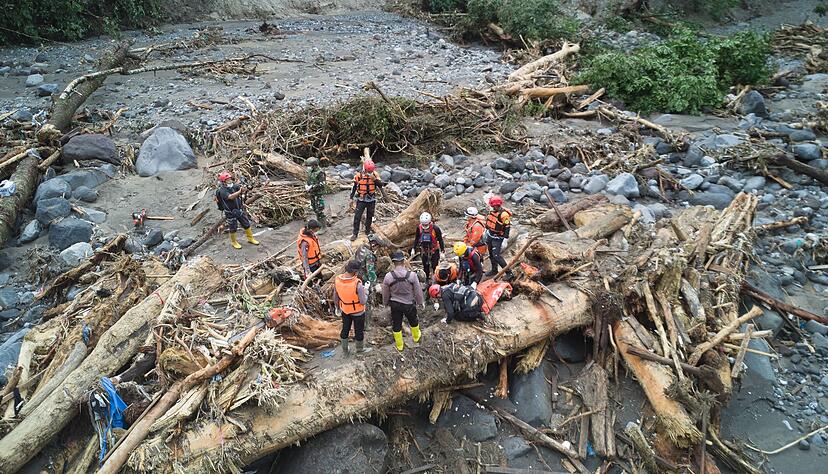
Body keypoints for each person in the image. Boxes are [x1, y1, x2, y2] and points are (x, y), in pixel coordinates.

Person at [381, 250, 424, 352]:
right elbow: (418, 291)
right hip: (409, 303)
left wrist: (385, 303)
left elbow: (385, 292)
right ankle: (416, 337)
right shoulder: (412, 275)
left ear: (393, 262)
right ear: (404, 261)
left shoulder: (388, 276)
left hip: (395, 304)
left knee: (396, 324)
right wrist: (420, 302)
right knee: (413, 321)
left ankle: (400, 345)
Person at [215, 171, 259, 250]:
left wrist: (245, 189)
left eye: (230, 179)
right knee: (233, 227)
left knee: (246, 224)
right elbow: (231, 197)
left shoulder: (234, 186)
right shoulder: (222, 190)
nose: (229, 181)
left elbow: (242, 190)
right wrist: (240, 191)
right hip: (230, 212)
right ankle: (233, 242)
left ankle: (250, 238)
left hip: (239, 209)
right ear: (223, 182)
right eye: (227, 180)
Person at [334, 260, 370, 355]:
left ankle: (345, 350)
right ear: (356, 272)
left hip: (345, 310)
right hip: (358, 312)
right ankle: (359, 350)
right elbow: (363, 301)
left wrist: (337, 307)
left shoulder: (337, 280)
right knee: (359, 331)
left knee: (345, 329)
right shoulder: (357, 284)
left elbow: (335, 296)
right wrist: (366, 292)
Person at [350, 159, 383, 241]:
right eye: (368, 171)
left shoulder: (375, 175)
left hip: (371, 199)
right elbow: (354, 187)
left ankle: (367, 231)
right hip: (361, 199)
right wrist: (351, 198)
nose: (369, 173)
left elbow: (381, 185)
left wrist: (374, 179)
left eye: (371, 171)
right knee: (357, 216)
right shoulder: (359, 175)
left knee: (370, 216)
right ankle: (355, 233)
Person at [412, 212, 444, 283]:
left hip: (434, 250)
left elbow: (440, 239)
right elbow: (416, 239)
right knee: (425, 266)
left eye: (426, 224)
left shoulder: (435, 228)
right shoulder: (419, 228)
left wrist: (442, 251)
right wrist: (413, 248)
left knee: (434, 265)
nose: (424, 226)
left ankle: (435, 279)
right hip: (424, 250)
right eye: (423, 224)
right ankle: (426, 279)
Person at [484, 195, 512, 277]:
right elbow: (489, 221)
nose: (492, 207)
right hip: (490, 235)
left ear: (497, 205)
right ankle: (494, 270)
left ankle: (509, 272)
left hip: (498, 238)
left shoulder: (504, 215)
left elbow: (507, 227)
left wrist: (505, 239)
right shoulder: (493, 211)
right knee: (491, 254)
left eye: (493, 206)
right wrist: (486, 231)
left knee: (496, 255)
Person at [305, 157, 327, 229]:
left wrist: (312, 187)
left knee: (319, 209)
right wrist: (307, 186)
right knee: (314, 208)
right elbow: (308, 180)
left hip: (318, 194)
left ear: (314, 165)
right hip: (312, 193)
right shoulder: (311, 172)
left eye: (310, 166)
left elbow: (321, 184)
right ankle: (319, 225)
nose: (308, 167)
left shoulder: (320, 173)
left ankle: (323, 227)